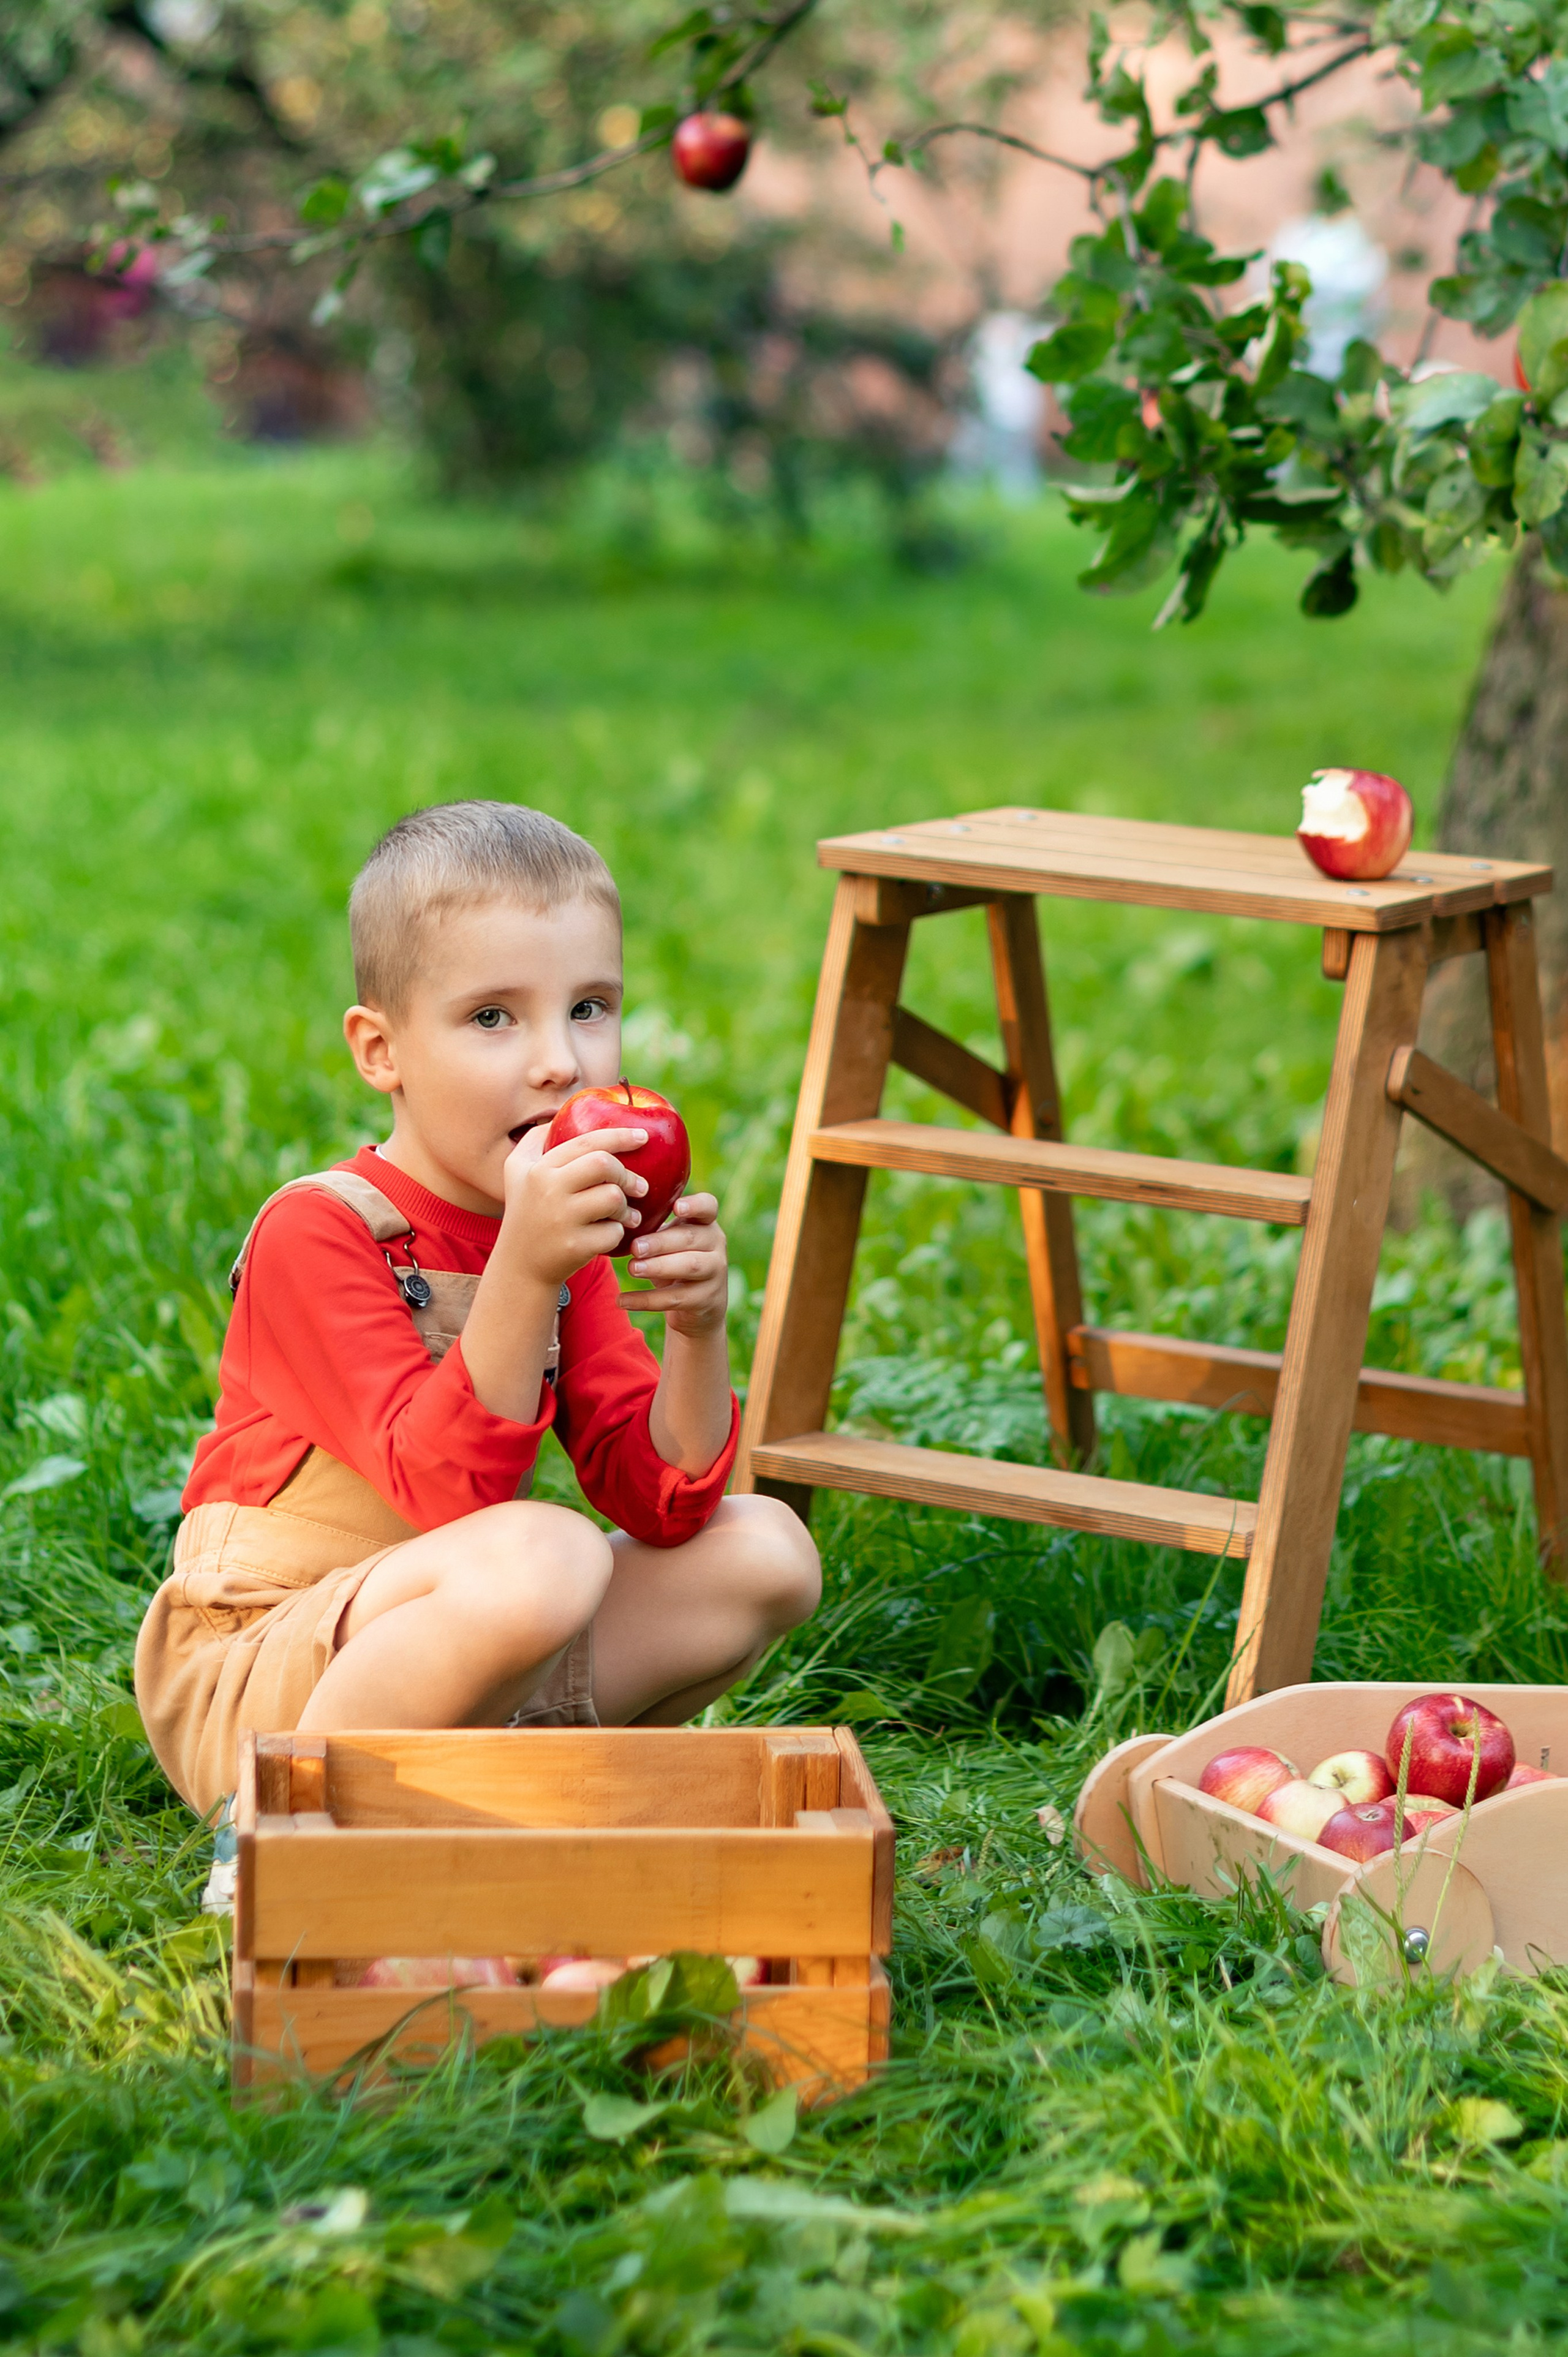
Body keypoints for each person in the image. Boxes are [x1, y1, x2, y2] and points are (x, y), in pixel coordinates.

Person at [134, 799, 821, 1822]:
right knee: (547, 1552)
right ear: (382, 1051)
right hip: (269, 1673)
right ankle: (276, 1837)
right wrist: (525, 1267)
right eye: (494, 1017)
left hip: (475, 1626)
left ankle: (506, 1805)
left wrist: (697, 1328)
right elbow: (446, 1493)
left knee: (765, 1551)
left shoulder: (555, 1233)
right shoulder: (318, 1234)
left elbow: (661, 1500)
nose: (560, 1061)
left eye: (589, 1008)